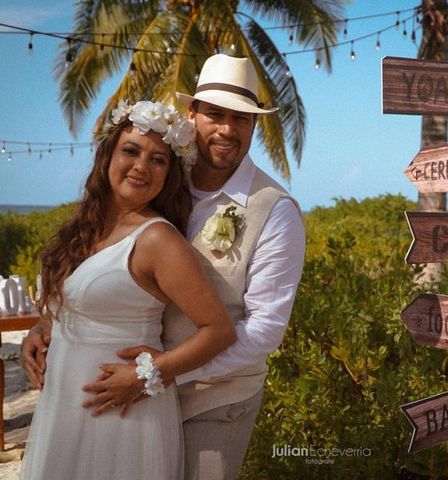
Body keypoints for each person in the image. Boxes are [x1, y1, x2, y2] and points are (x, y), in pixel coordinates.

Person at [22, 54, 306, 479]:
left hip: (215, 398)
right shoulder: (160, 177)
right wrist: (50, 326)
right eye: (215, 114)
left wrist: (161, 372)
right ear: (192, 115)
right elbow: (107, 272)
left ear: (253, 126)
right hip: (128, 388)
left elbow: (264, 329)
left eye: (242, 118)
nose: (227, 129)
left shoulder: (275, 211)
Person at [19, 100, 237, 480]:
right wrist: (41, 331)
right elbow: (72, 306)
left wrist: (147, 374)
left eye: (158, 160)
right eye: (131, 151)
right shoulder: (82, 229)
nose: (141, 166)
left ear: (168, 175)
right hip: (63, 406)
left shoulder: (158, 240)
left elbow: (218, 331)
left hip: (122, 414)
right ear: (107, 156)